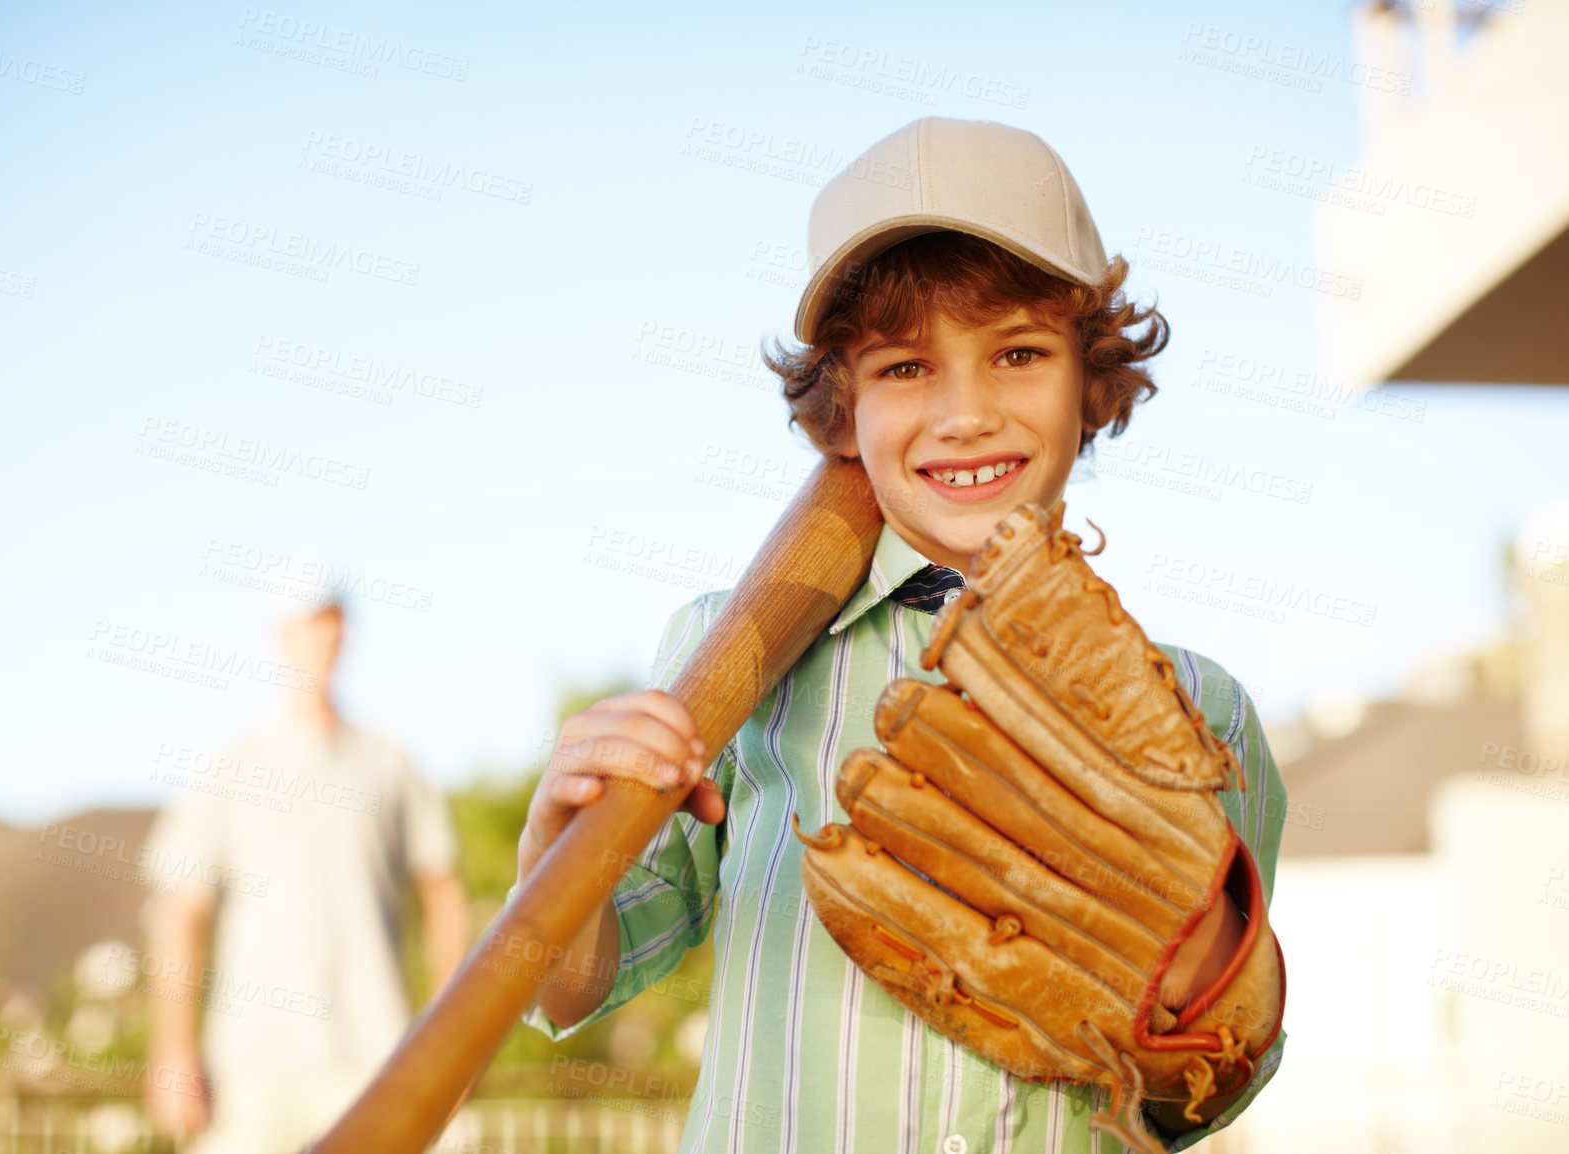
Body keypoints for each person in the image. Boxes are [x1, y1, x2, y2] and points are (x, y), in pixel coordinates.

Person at [513, 118, 1288, 1152]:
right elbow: (573, 985)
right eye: (905, 368)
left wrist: (1195, 987)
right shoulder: (729, 659)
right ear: (839, 408)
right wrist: (552, 866)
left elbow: (1200, 1100)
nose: (964, 413)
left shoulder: (1204, 712)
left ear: (1093, 382)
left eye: (1017, 352)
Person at [140, 597, 469, 1154]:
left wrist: (452, 1043)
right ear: (279, 637)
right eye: (305, 626)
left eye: (329, 625)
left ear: (345, 635)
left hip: (377, 1059)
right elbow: (179, 910)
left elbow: (444, 894)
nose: (319, 640)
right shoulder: (231, 763)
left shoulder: (390, 760)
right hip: (247, 1067)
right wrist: (173, 1052)